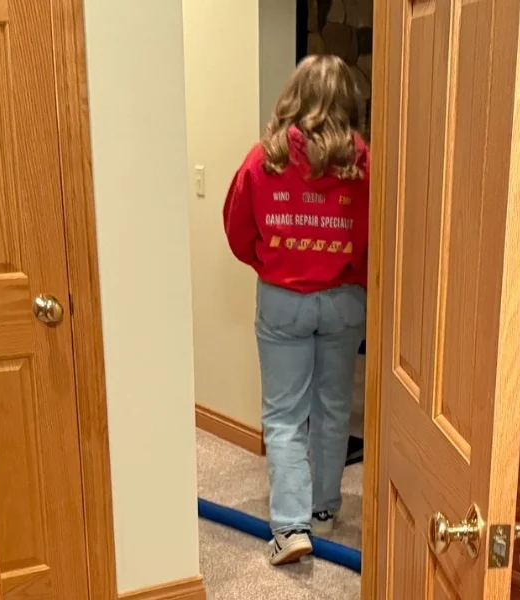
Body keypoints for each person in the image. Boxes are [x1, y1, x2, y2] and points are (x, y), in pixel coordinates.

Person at [223, 55, 369, 566]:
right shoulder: (364, 163)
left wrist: (274, 262)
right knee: (332, 408)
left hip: (283, 299)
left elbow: (238, 232)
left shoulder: (263, 160)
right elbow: (379, 237)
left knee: (284, 417)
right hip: (345, 299)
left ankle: (291, 526)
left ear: (293, 96)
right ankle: (324, 508)